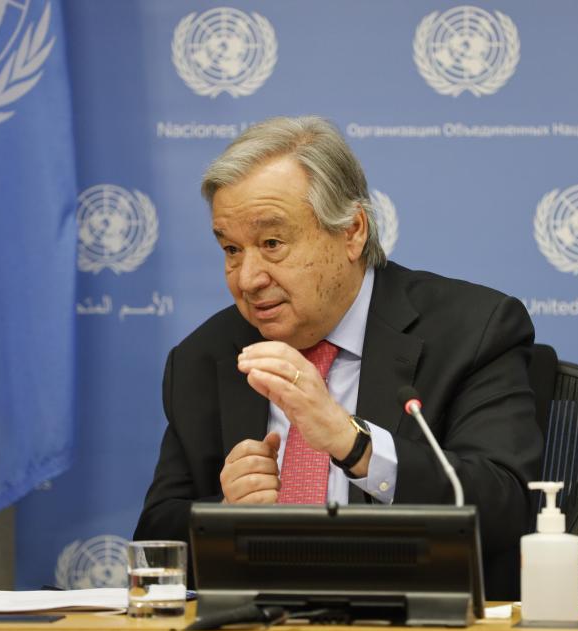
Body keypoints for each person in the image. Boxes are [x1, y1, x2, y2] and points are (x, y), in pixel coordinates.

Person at [133, 116, 542, 599]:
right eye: (231, 249)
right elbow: (154, 542)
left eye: (271, 244)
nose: (247, 278)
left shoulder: (473, 330)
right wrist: (223, 510)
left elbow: (508, 510)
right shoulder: (207, 356)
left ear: (352, 232)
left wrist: (357, 445)